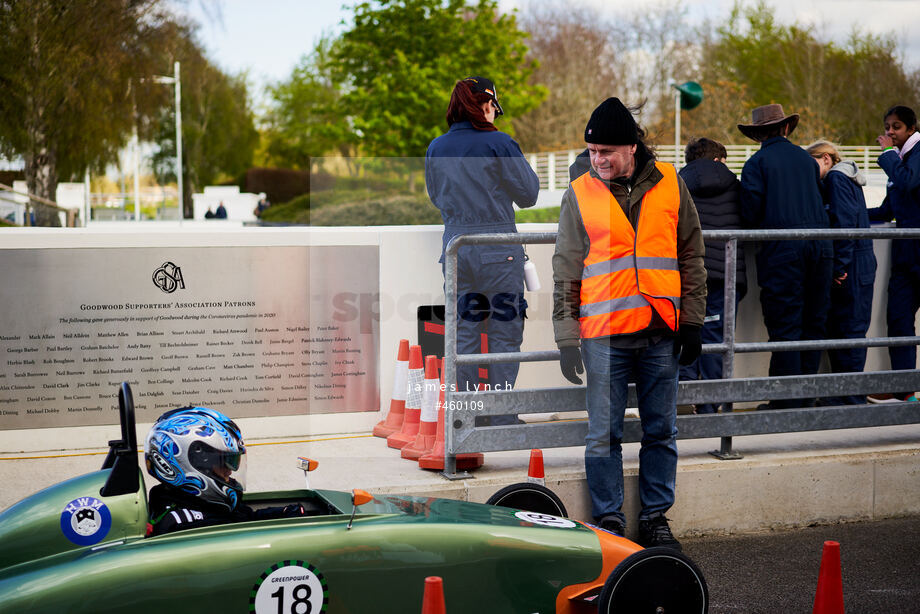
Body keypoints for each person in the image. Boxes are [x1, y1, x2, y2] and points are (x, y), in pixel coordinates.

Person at [552, 97, 706, 549]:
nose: (597, 160)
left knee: (662, 430)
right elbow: (567, 269)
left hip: (661, 332)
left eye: (607, 153)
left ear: (632, 148)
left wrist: (693, 322)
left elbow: (692, 255)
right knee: (603, 435)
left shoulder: (671, 186)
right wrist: (566, 336)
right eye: (592, 152)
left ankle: (656, 520)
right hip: (604, 337)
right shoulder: (580, 192)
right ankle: (610, 523)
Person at [425, 76, 539, 423]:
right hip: (498, 251)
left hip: (456, 250)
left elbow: (435, 196)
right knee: (505, 333)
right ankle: (502, 415)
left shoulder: (436, 147)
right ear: (486, 104)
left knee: (463, 337)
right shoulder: (499, 143)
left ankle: (468, 417)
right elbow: (529, 195)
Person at [738, 104, 833, 409]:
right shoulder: (806, 161)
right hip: (821, 246)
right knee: (814, 322)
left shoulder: (757, 164)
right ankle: (806, 396)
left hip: (783, 249)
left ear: (758, 135)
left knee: (785, 325)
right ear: (786, 128)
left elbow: (750, 213)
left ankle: (786, 402)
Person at [145, 406, 304, 536]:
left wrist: (283, 512)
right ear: (191, 464)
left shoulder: (198, 503)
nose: (229, 471)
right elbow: (242, 531)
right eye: (223, 462)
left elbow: (244, 517)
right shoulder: (186, 526)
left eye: (232, 462)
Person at [678, 137, 746, 414]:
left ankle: (685, 395)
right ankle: (711, 404)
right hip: (726, 274)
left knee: (686, 331)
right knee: (717, 338)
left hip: (688, 272)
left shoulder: (678, 183)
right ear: (719, 159)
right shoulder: (735, 182)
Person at [806, 141, 878, 405]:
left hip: (853, 264)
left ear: (826, 158)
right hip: (859, 261)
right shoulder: (845, 178)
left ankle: (850, 398)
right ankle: (845, 395)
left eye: (811, 162)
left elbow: (845, 223)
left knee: (849, 331)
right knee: (845, 330)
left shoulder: (836, 178)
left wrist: (839, 265)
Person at [867, 105, 920, 403]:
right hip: (905, 256)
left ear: (911, 128)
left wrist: (887, 156)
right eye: (887, 127)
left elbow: (909, 181)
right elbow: (889, 209)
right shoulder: (900, 161)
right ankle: (904, 391)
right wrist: (848, 214)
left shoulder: (915, 155)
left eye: (896, 127)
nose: (889, 133)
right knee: (898, 320)